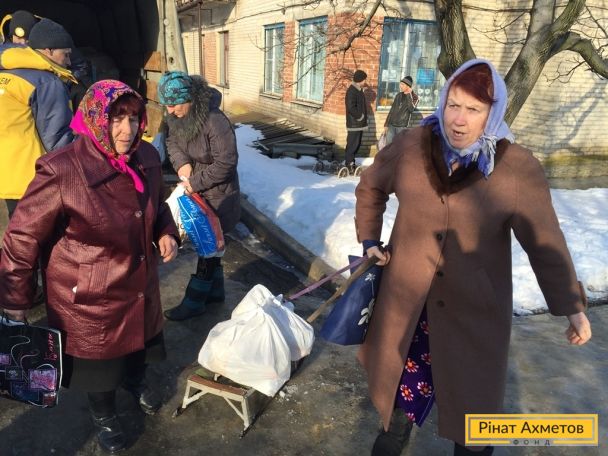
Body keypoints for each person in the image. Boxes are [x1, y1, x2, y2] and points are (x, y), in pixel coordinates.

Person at [354, 59, 592, 456]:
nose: (459, 120)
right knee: (398, 403)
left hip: (473, 313)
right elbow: (370, 187)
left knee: (475, 423)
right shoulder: (412, 146)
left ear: (492, 114)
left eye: (473, 109)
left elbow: (545, 240)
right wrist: (368, 239)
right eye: (453, 105)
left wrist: (572, 306)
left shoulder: (515, 167)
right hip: (408, 306)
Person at [0, 80, 180, 454]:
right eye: (116, 118)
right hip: (90, 296)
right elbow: (21, 238)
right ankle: (105, 416)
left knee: (141, 347)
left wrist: (166, 231)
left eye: (134, 118)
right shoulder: (62, 170)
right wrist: (15, 301)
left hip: (138, 283)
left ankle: (135, 382)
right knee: (100, 370)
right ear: (95, 118)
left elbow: (158, 205)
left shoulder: (146, 156)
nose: (127, 130)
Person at [158, 71, 240, 321]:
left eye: (174, 104)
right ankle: (215, 293)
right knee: (211, 247)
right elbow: (171, 143)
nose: (170, 111)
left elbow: (226, 163)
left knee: (209, 247)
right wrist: (182, 164)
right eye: (166, 105)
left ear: (190, 99)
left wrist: (194, 183)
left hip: (219, 194)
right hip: (196, 188)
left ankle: (194, 302)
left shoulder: (215, 120)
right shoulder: (176, 117)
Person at [0, 18, 75, 218]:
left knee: (19, 228)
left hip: (7, 172)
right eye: (65, 54)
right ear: (48, 51)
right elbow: (57, 140)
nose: (69, 61)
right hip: (33, 178)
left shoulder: (7, 74)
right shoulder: (46, 82)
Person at [383, 75, 419, 145]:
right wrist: (386, 124)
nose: (400, 86)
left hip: (402, 127)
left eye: (402, 84)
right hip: (391, 125)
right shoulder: (398, 95)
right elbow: (392, 110)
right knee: (388, 145)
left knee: (399, 146)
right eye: (400, 84)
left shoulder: (415, 97)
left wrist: (408, 95)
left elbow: (411, 109)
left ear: (408, 86)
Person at [345, 69, 368, 171]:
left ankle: (351, 162)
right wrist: (360, 117)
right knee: (352, 145)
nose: (365, 81)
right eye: (364, 80)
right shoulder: (352, 91)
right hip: (354, 123)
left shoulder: (358, 90)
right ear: (360, 80)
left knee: (356, 145)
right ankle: (349, 164)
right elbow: (351, 107)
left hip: (358, 124)